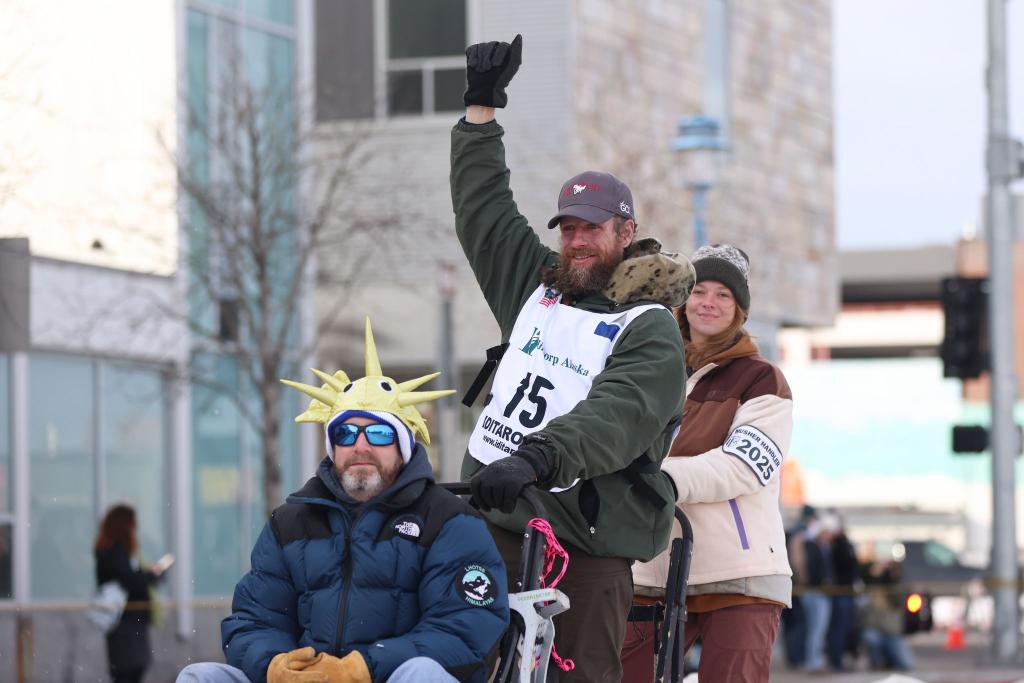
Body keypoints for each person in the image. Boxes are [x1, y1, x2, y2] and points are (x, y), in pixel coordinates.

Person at [453, 34, 693, 683]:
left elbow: (616, 418)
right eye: (569, 227)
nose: (578, 239)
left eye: (592, 227)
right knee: (449, 660)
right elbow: (485, 214)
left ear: (624, 231)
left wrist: (538, 456)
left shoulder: (649, 330)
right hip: (497, 519)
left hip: (584, 542)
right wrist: (481, 110)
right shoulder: (539, 289)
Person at [176, 319, 509, 683]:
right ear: (333, 447)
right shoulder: (290, 524)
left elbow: (464, 630)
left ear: (403, 445)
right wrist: (274, 665)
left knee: (422, 674)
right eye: (346, 433)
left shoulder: (450, 523)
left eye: (379, 433)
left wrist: (363, 668)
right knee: (201, 676)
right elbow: (253, 621)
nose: (360, 446)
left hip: (392, 677)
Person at [624, 244, 794, 683]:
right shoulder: (648, 370)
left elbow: (744, 466)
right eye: (700, 290)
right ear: (683, 299)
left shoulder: (762, 379)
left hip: (739, 573)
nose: (709, 303)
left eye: (724, 295)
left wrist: (656, 478)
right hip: (652, 567)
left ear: (739, 310)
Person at [94, 504, 168, 683]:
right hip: (125, 622)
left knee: (130, 670)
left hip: (127, 622)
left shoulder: (114, 552)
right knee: (129, 672)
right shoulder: (115, 552)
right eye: (133, 525)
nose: (135, 530)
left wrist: (148, 575)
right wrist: (151, 575)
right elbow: (130, 580)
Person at [802, 512, 839, 672]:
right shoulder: (814, 547)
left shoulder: (821, 547)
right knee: (816, 629)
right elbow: (813, 569)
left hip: (818, 593)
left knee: (817, 629)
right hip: (816, 593)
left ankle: (814, 660)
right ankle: (813, 661)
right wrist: (823, 581)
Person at [826, 513, 860, 671]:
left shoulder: (839, 544)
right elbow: (847, 565)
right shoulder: (838, 545)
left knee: (843, 628)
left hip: (845, 591)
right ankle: (836, 660)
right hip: (841, 592)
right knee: (839, 628)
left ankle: (839, 659)